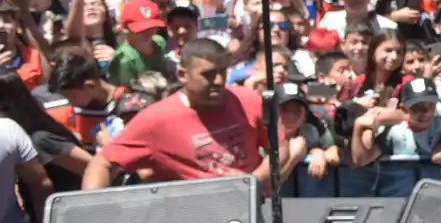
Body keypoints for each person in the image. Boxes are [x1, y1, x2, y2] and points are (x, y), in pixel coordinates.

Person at [81, 38, 303, 189]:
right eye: (207, 75)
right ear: (181, 74)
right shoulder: (156, 119)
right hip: (192, 219)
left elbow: (278, 148)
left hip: (251, 209)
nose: (217, 81)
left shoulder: (250, 100)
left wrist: (252, 182)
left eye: (222, 72)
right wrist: (93, 212)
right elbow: (103, 163)